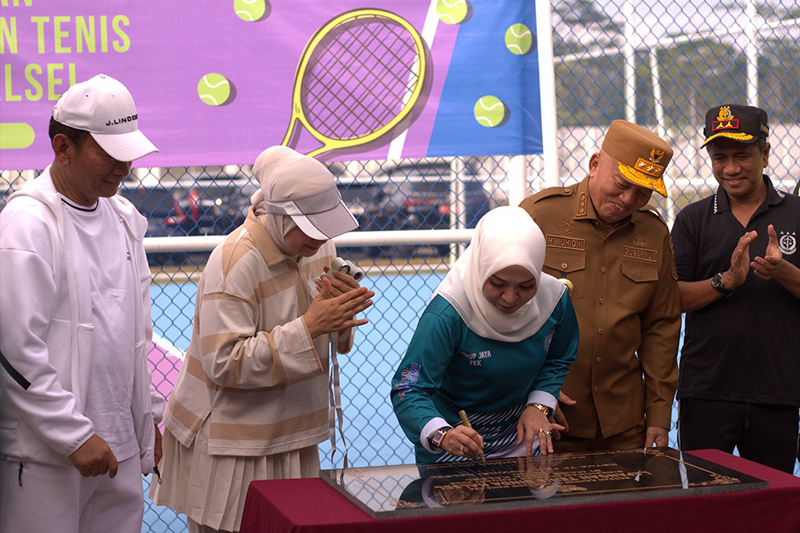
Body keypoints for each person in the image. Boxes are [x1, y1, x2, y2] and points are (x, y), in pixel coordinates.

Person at [149, 145, 375, 533]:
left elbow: (325, 331)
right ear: (279, 214)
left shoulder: (319, 246)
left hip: (291, 432)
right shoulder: (235, 260)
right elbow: (223, 361)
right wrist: (311, 326)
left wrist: (339, 315)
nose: (321, 237)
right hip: (232, 445)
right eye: (312, 226)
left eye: (326, 225)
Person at [0, 74, 164, 533]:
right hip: (46, 457)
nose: (123, 167)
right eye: (109, 154)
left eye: (128, 154)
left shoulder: (125, 219)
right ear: (63, 147)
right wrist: (74, 436)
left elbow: (134, 335)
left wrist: (147, 416)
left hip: (118, 449)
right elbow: (14, 351)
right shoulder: (26, 224)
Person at [519, 120, 682, 452]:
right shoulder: (539, 216)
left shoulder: (654, 233)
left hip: (624, 422)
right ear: (594, 164)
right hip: (547, 417)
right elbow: (499, 312)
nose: (628, 199)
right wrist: (534, 394)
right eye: (622, 184)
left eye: (643, 192)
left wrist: (659, 415)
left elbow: (661, 327)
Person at [391, 206, 579, 463]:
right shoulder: (447, 314)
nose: (510, 297)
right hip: (456, 442)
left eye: (526, 286)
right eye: (497, 283)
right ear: (480, 267)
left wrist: (538, 405)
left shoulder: (554, 298)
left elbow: (559, 357)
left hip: (523, 438)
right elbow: (409, 387)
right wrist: (441, 434)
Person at [671, 104, 800, 474]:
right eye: (720, 157)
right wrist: (724, 282)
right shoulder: (692, 219)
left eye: (742, 156)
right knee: (705, 499)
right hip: (706, 390)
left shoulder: (796, 213)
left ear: (765, 153)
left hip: (777, 391)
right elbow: (672, 298)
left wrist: (783, 271)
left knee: (772, 499)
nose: (730, 168)